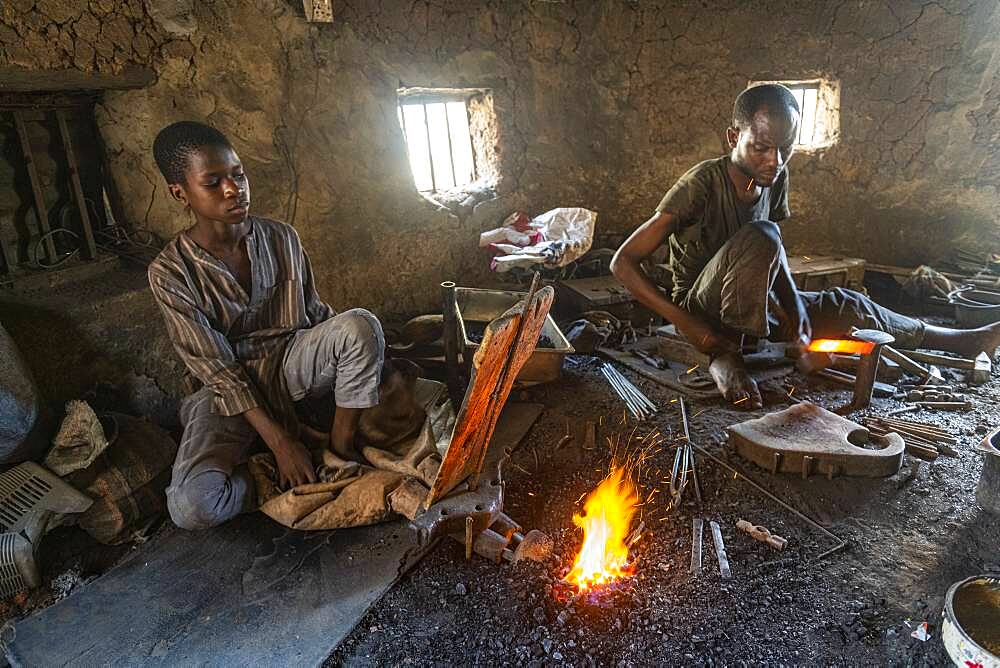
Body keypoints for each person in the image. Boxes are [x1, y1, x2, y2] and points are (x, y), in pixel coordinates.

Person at [611, 83, 1000, 408]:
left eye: (785, 148)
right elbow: (622, 263)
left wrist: (797, 314)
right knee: (762, 235)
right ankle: (726, 356)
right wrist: (691, 326)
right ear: (734, 137)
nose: (775, 161)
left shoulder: (773, 176)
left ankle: (961, 339)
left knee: (846, 303)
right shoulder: (701, 184)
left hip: (750, 299)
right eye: (761, 148)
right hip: (703, 309)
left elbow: (772, 254)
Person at [148, 121, 384, 529]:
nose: (233, 189)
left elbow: (315, 314)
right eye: (213, 181)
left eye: (238, 174)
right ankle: (262, 473)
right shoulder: (170, 272)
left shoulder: (282, 237)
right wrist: (280, 444)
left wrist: (371, 353)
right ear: (180, 193)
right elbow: (219, 371)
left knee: (361, 325)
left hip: (289, 362)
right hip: (226, 391)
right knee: (192, 507)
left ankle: (337, 453)